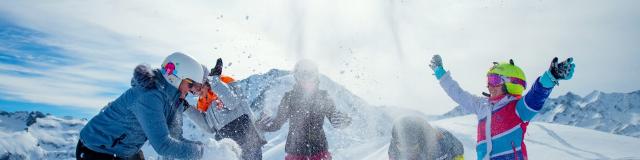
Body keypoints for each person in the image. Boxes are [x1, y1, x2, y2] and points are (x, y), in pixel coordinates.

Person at [428, 55, 576, 160]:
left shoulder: (518, 109)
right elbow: (458, 94)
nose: (489, 85)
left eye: (494, 80)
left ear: (511, 83)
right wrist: (440, 73)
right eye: (489, 80)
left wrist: (550, 77)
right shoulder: (482, 106)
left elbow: (536, 95)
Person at [77, 52, 217, 160]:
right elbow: (163, 145)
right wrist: (202, 154)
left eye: (195, 87)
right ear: (174, 77)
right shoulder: (149, 96)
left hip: (125, 151)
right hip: (96, 149)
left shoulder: (175, 101)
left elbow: (175, 138)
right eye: (190, 84)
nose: (191, 91)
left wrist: (205, 148)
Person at [254, 59, 352, 160]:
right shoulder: (289, 98)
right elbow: (277, 122)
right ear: (296, 77)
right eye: (302, 75)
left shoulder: (323, 97)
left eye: (310, 75)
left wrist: (343, 120)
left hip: (319, 153)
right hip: (295, 153)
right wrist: (264, 125)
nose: (306, 80)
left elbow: (334, 117)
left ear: (315, 76)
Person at [185, 58, 266, 160]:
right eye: (192, 92)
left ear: (204, 79)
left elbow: (232, 102)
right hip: (226, 143)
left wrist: (214, 81)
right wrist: (186, 108)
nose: (196, 92)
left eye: (197, 87)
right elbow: (209, 128)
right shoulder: (203, 102)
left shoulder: (224, 83)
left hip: (246, 136)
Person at [388, 116, 464, 160]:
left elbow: (458, 149)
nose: (408, 151)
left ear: (420, 141)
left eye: (412, 146)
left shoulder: (439, 146)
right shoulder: (394, 150)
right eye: (402, 146)